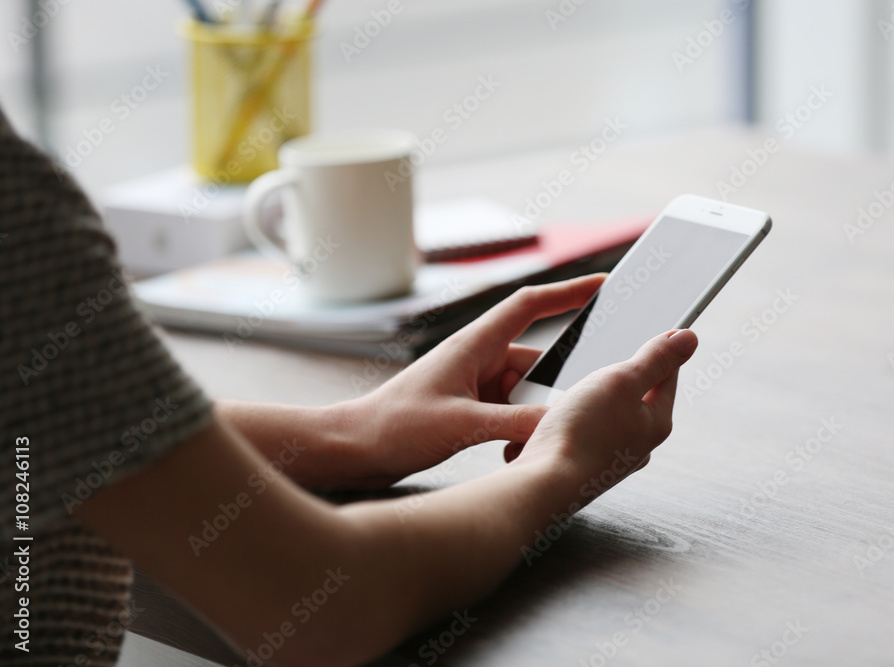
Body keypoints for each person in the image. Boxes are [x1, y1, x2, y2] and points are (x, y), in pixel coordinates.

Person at [0, 107, 698, 667]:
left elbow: (59, 431)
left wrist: (346, 435)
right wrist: (560, 468)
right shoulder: (18, 215)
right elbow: (320, 608)